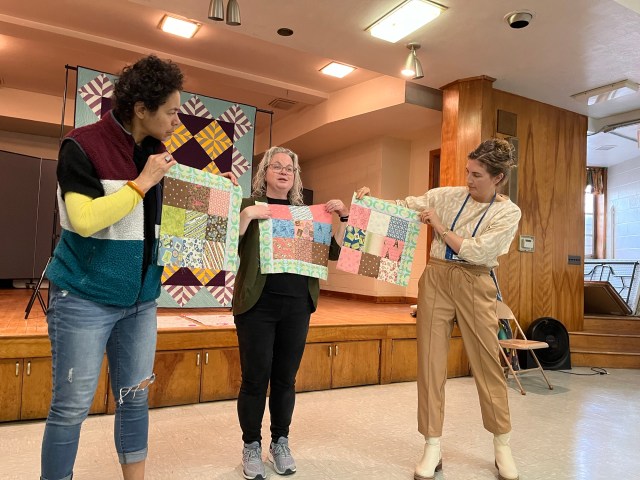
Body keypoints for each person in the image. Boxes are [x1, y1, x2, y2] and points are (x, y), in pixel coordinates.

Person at [41, 55, 236, 480]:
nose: (177, 120)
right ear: (142, 109)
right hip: (84, 297)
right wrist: (142, 182)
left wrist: (218, 197)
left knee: (134, 399)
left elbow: (170, 221)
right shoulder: (82, 145)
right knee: (71, 407)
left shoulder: (156, 153)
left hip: (141, 301)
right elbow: (84, 220)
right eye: (171, 111)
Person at [356, 138, 522, 480]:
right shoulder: (446, 196)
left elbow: (477, 251)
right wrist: (369, 201)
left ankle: (502, 444)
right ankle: (432, 444)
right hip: (436, 278)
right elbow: (403, 207)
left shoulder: (508, 212)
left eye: (477, 175)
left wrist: (441, 227)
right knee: (430, 363)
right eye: (468, 172)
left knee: (487, 363)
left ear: (498, 178)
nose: (469, 180)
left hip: (476, 280)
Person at [233, 146, 348, 480]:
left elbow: (335, 253)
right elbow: (226, 244)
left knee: (285, 379)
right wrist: (247, 216)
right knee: (254, 379)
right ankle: (251, 445)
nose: (284, 171)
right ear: (264, 172)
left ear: (296, 177)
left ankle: (280, 442)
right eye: (277, 166)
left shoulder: (308, 213)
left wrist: (341, 217)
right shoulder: (249, 205)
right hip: (257, 305)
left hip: (297, 306)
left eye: (290, 168)